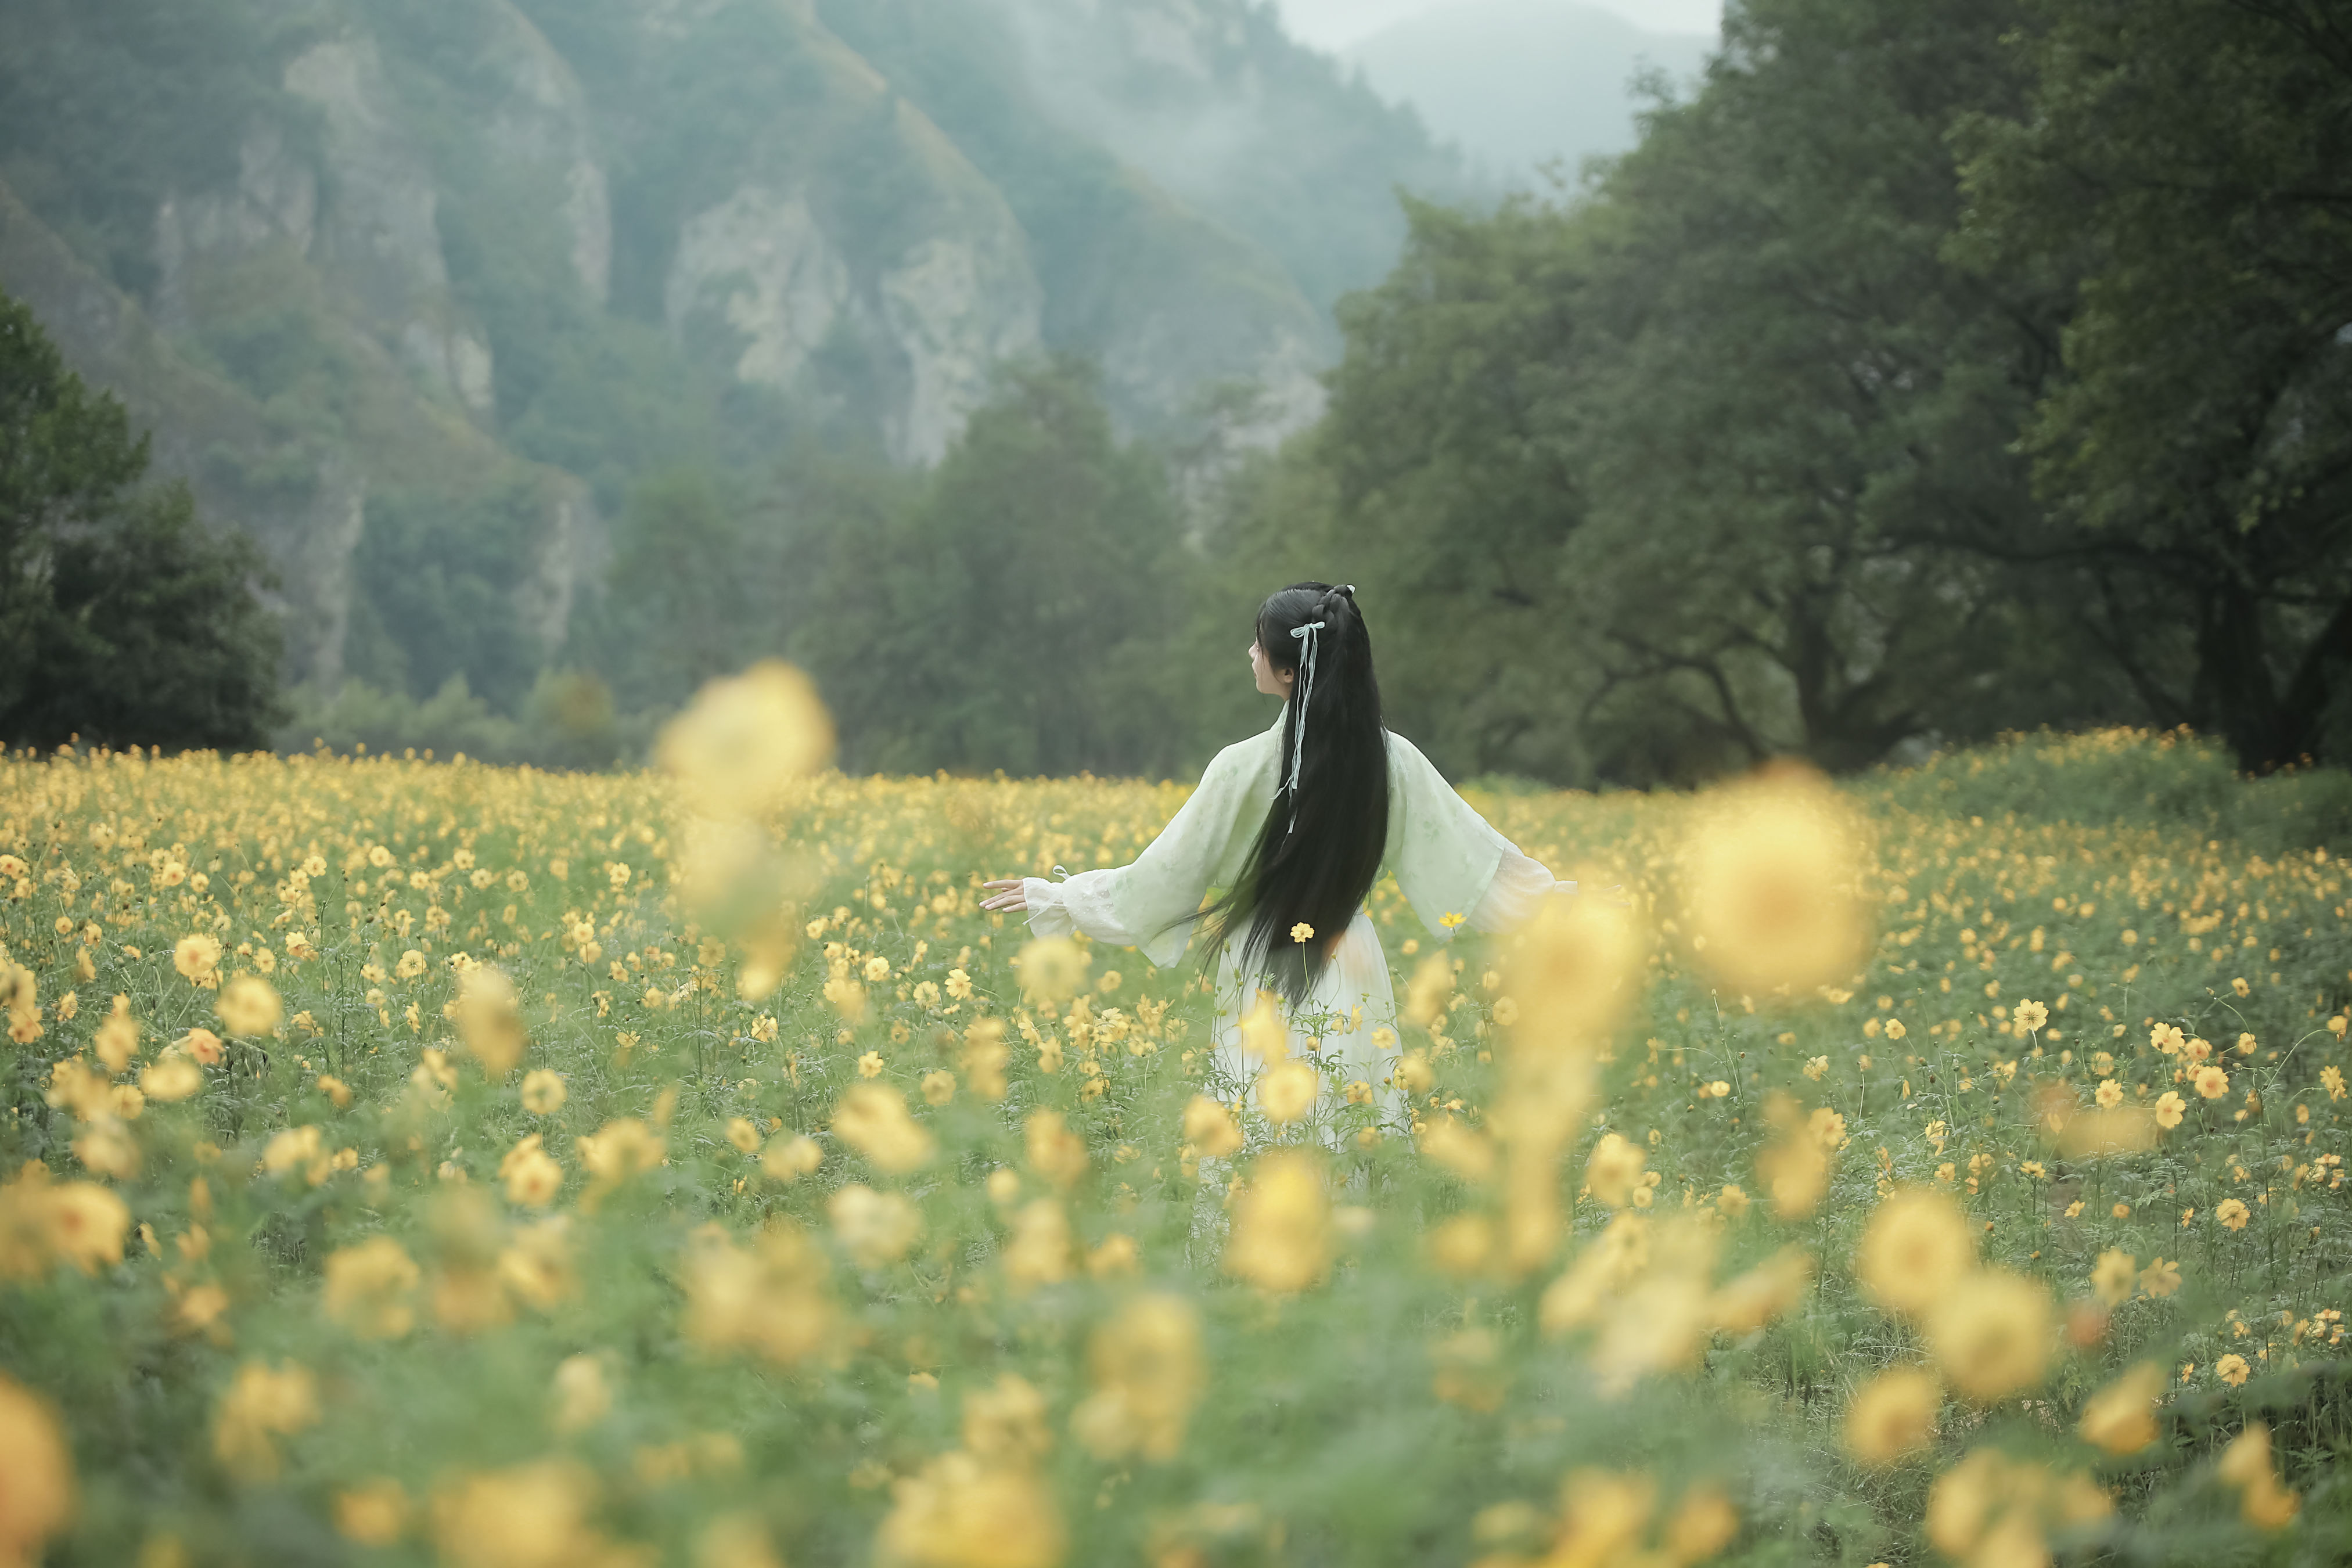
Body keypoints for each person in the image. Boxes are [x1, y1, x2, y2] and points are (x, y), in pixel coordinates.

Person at [981, 582, 1573, 1134]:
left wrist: (1061, 897)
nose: (1249, 654)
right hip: (1352, 966)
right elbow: (1474, 859)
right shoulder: (1393, 762)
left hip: (1260, 965)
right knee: (1349, 1125)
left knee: (1257, 1126)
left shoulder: (1238, 768)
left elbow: (1160, 882)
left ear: (1289, 671)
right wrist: (1561, 904)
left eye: (1259, 647)